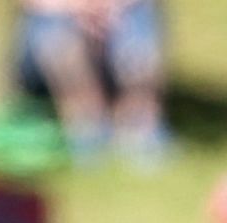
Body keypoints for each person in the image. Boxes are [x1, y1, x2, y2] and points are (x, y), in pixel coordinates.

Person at [16, 0, 168, 165]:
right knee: (57, 35)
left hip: (119, 19)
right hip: (53, 19)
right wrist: (78, 8)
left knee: (137, 36)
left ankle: (139, 124)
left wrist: (108, 7)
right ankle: (86, 125)